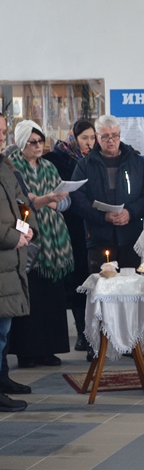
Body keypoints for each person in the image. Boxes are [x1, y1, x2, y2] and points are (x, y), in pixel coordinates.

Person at [8, 121, 73, 368]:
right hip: (28, 234)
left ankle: (50, 349)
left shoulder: (49, 166)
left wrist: (51, 202)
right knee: (31, 296)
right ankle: (28, 351)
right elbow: (20, 202)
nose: (38, 146)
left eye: (40, 141)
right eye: (32, 142)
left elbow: (66, 204)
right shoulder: (13, 166)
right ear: (22, 143)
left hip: (55, 240)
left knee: (52, 297)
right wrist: (43, 201)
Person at [71, 114, 144, 271]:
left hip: (131, 239)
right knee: (102, 289)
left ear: (119, 134)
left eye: (115, 135)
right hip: (99, 239)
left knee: (132, 290)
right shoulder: (85, 164)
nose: (111, 140)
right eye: (105, 136)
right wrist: (103, 216)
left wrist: (130, 212)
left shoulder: (137, 162)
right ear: (97, 137)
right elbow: (77, 200)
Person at [42, 120, 95, 354]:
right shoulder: (58, 159)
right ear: (74, 137)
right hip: (70, 225)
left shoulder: (96, 160)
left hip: (92, 223)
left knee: (94, 277)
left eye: (93, 138)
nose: (89, 143)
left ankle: (98, 332)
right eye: (85, 138)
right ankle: (82, 332)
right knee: (76, 279)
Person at [0, 115, 37, 409]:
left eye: (3, 132)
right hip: (5, 254)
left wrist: (26, 227)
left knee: (3, 332)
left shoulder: (5, 166)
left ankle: (2, 381)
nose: (2, 138)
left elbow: (21, 202)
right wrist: (13, 237)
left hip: (9, 264)